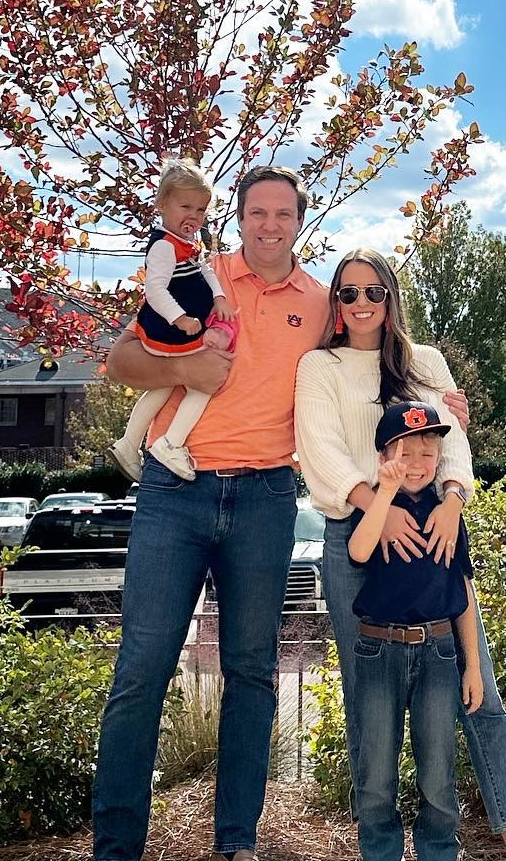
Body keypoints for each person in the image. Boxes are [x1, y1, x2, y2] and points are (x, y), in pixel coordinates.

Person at [91, 166, 330, 861]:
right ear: (240, 216)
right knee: (142, 668)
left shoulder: (318, 303)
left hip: (264, 499)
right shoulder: (201, 272)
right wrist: (183, 372)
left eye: (283, 213)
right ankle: (116, 848)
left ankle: (236, 843)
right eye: (257, 211)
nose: (270, 224)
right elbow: (121, 359)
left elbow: (377, 362)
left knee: (253, 674)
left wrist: (443, 400)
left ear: (298, 220)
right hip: (175, 489)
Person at [295, 248, 506, 861]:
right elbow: (320, 449)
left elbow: (453, 443)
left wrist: (454, 500)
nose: (361, 304)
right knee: (370, 712)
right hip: (356, 543)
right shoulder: (318, 366)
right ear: (335, 302)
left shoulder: (425, 362)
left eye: (374, 292)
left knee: (477, 690)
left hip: (435, 533)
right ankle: (378, 848)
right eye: (349, 293)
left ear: (391, 298)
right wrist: (373, 510)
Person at [347, 400, 481, 861]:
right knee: (376, 777)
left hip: (439, 652)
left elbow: (462, 594)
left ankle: (439, 852)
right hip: (378, 649)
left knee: (438, 776)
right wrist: (382, 497)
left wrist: (473, 668)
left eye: (428, 455)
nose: (418, 465)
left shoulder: (448, 513)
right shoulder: (375, 504)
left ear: (439, 459)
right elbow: (360, 552)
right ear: (385, 456)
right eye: (405, 454)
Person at [110, 158, 239, 482]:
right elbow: (153, 290)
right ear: (163, 203)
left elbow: (205, 270)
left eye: (200, 211)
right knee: (203, 384)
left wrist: (219, 297)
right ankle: (171, 442)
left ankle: (128, 444)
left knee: (163, 385)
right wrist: (180, 319)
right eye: (186, 207)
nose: (193, 216)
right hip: (171, 332)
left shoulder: (188, 244)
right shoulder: (164, 248)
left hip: (180, 331)